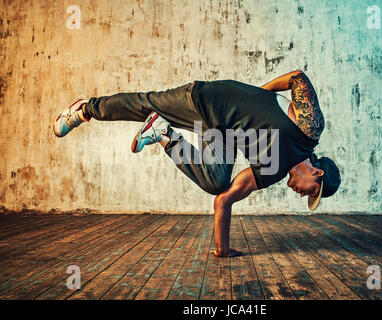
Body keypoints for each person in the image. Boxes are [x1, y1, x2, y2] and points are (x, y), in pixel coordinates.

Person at [53, 70, 341, 257]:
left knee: (215, 182)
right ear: (317, 172)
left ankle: (163, 134)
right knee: (144, 103)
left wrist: (223, 250)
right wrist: (257, 93)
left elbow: (223, 200)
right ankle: (83, 110)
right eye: (312, 191)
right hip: (209, 101)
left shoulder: (272, 171)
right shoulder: (309, 130)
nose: (304, 195)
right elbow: (297, 79)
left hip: (220, 133)